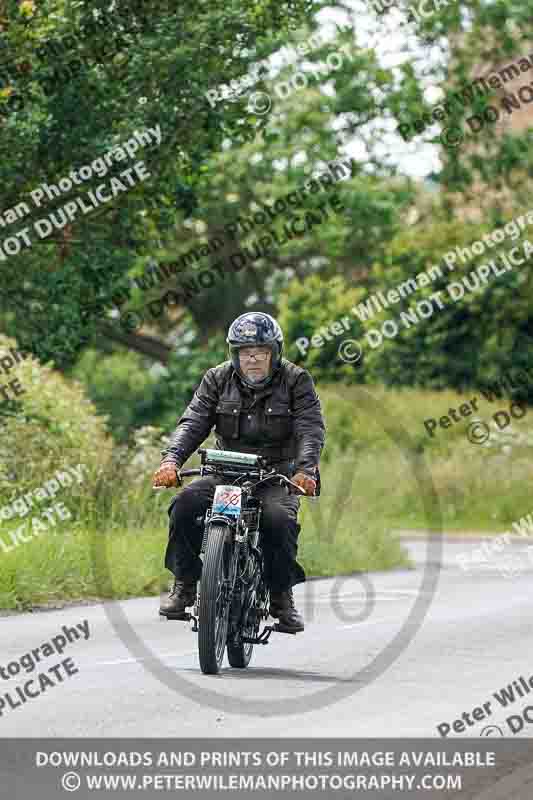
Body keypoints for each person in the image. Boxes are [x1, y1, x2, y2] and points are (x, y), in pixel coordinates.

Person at [153, 312, 325, 633]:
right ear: (234, 355)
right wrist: (171, 461)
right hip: (224, 470)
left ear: (275, 352)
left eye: (261, 351)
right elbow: (193, 422)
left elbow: (310, 428)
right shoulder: (217, 379)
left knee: (279, 520)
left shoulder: (296, 380)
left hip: (276, 476)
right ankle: (185, 585)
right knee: (185, 505)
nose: (254, 359)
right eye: (245, 353)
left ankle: (280, 597)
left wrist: (305, 469)